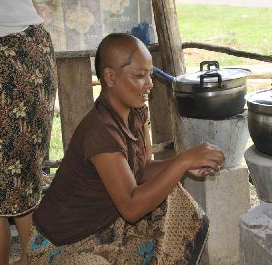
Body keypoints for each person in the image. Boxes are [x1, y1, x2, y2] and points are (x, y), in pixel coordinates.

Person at [28, 33, 225, 265]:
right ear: (110, 77)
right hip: (61, 243)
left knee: (175, 199)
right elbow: (131, 208)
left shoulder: (136, 112)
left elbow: (140, 171)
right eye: (140, 76)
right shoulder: (100, 131)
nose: (150, 84)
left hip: (103, 225)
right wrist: (182, 162)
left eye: (150, 74)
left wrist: (184, 164)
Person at [0, 1, 57, 265]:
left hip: (20, 53)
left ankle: (32, 259)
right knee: (19, 178)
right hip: (31, 49)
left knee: (16, 178)